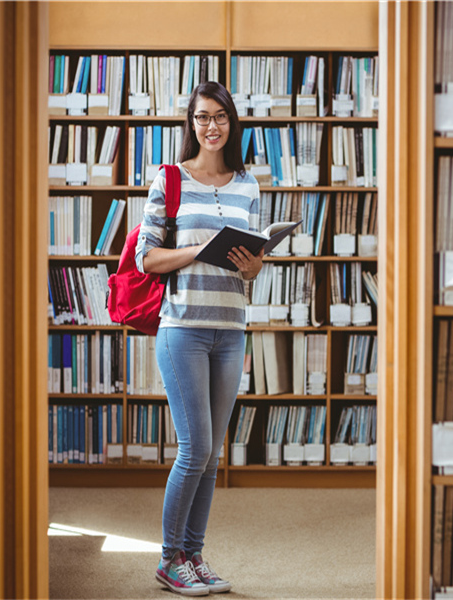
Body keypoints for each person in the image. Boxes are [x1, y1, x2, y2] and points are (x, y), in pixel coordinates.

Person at [135, 81, 263, 596]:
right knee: (195, 448)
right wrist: (198, 250)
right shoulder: (168, 181)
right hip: (183, 328)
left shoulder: (248, 186)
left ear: (232, 125)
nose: (212, 126)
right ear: (190, 123)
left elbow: (250, 265)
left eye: (221, 118)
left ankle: (194, 554)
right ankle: (170, 560)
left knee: (213, 455)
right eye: (203, 117)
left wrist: (254, 265)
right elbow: (147, 259)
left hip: (231, 328)